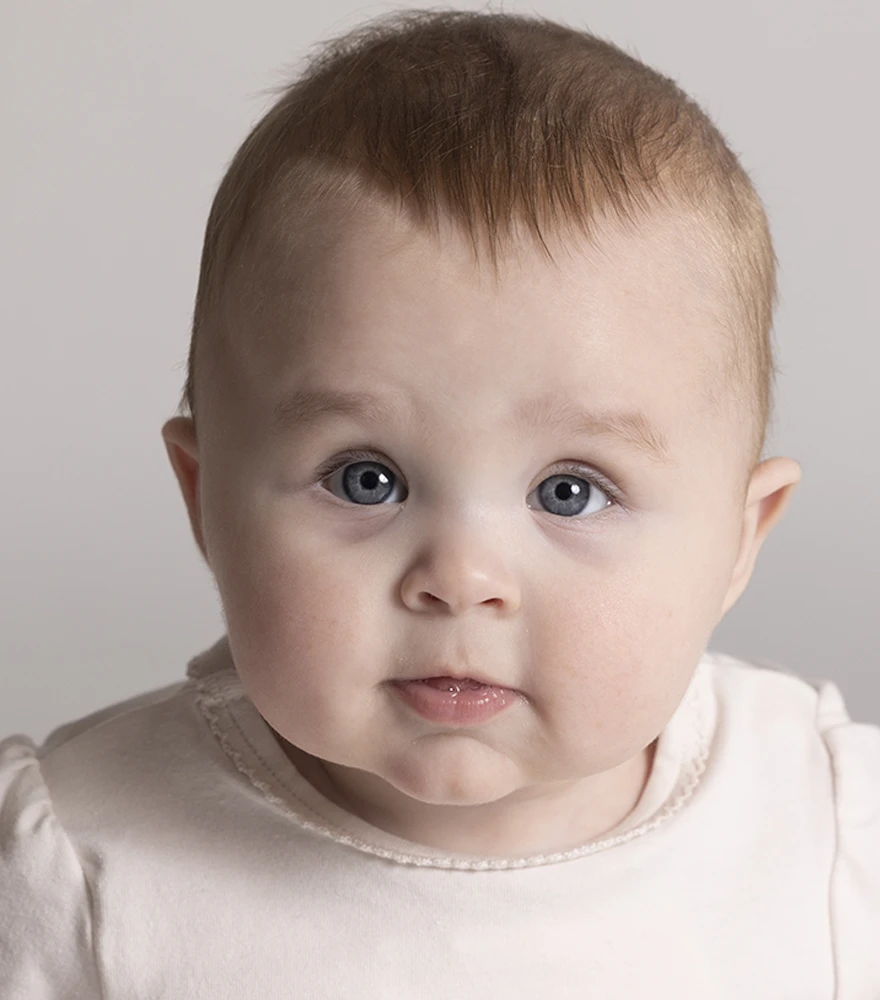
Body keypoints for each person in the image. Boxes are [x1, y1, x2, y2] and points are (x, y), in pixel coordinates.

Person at [2, 9, 877, 997]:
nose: (460, 579)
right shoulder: (80, 864)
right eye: (365, 478)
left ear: (736, 539)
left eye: (568, 491)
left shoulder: (825, 832)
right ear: (205, 501)